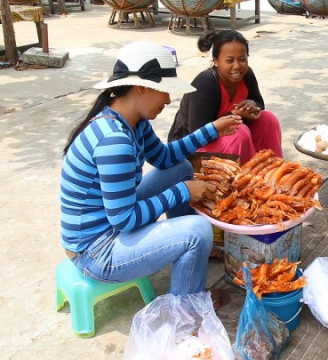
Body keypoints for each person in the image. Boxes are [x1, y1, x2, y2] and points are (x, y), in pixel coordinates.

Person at [59, 41, 243, 309]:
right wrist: (184, 192)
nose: (169, 100)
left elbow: (165, 158)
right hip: (96, 253)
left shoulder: (131, 120)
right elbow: (124, 219)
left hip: (109, 224)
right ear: (142, 87)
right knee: (198, 229)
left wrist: (211, 130)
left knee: (181, 168)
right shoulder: (114, 141)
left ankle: (188, 249)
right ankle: (186, 306)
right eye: (165, 92)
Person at [168, 30, 283, 164]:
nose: (237, 66)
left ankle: (274, 168)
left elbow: (260, 104)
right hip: (192, 151)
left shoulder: (246, 75)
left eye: (242, 59)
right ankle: (244, 180)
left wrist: (251, 105)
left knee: (268, 119)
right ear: (216, 61)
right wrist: (234, 114)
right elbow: (197, 133)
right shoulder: (205, 83)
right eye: (229, 60)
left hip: (228, 141)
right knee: (239, 130)